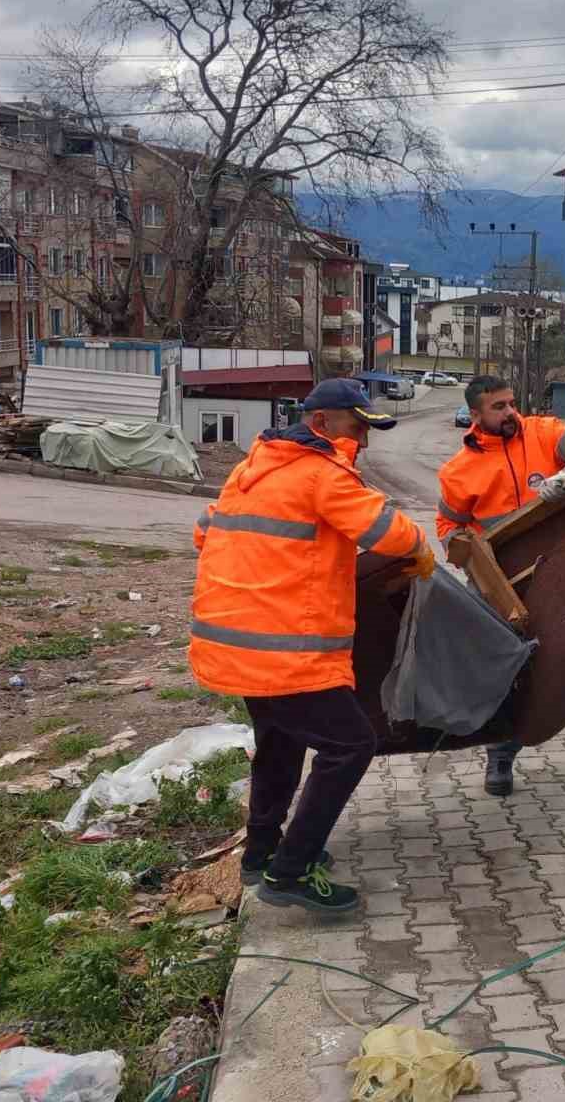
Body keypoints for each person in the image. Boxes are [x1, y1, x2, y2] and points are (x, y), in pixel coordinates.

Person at [190, 378, 434, 916]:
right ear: (321, 423)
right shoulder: (320, 474)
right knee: (350, 745)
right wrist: (419, 546)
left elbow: (204, 532)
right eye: (357, 428)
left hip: (236, 645)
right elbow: (387, 532)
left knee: (279, 745)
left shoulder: (251, 470)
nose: (364, 443)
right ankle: (291, 870)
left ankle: (260, 853)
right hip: (284, 650)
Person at [436, 375, 565, 796]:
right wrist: (471, 557)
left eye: (511, 403)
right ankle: (500, 758)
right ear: (475, 415)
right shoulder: (458, 471)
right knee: (507, 669)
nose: (510, 412)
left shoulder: (542, 432)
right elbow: (448, 526)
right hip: (504, 585)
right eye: (498, 407)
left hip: (563, 570)